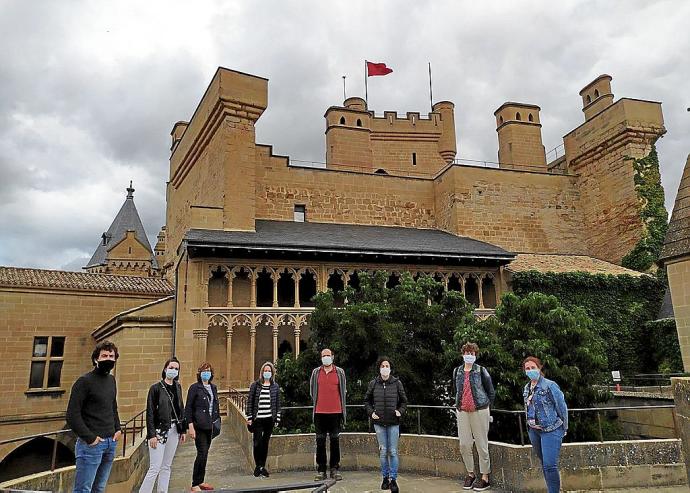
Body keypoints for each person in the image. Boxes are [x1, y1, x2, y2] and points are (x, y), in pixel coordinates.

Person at [66, 340, 122, 493]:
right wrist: (90, 438)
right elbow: (72, 415)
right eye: (104, 356)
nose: (109, 359)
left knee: (99, 488)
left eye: (111, 356)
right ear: (96, 359)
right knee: (83, 489)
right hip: (91, 446)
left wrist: (118, 428)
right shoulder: (84, 382)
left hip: (111, 443)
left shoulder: (111, 380)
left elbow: (113, 406)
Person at [139, 357, 187, 493]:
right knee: (155, 467)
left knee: (166, 466)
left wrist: (182, 430)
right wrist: (151, 435)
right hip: (160, 430)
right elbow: (150, 413)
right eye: (171, 368)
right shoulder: (155, 388)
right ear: (165, 369)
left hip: (174, 430)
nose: (173, 370)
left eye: (176, 369)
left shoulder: (178, 387)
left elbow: (180, 408)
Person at [453, 342, 495, 491]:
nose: (469, 356)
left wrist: (487, 408)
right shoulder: (457, 371)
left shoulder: (481, 370)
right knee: (464, 444)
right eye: (467, 353)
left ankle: (485, 477)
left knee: (481, 444)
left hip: (480, 410)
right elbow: (456, 390)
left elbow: (490, 391)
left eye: (472, 353)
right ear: (462, 354)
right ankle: (470, 474)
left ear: (475, 355)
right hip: (462, 411)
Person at [523, 356, 568, 493]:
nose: (530, 370)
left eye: (533, 367)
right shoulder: (527, 387)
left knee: (550, 464)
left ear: (539, 368)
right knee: (544, 464)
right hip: (534, 430)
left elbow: (561, 406)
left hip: (551, 429)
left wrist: (564, 427)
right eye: (527, 369)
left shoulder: (550, 385)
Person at [364, 356, 407, 493]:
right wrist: (371, 413)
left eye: (387, 366)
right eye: (382, 366)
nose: (385, 368)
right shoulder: (373, 383)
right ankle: (385, 478)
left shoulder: (397, 383)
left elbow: (404, 401)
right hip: (379, 423)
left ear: (390, 368)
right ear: (379, 368)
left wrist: (400, 411)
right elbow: (367, 401)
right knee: (383, 452)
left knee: (393, 452)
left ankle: (393, 480)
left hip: (393, 423)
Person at [309, 348, 347, 481]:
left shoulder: (340, 372)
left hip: (336, 412)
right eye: (323, 355)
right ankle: (321, 470)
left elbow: (343, 391)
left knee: (335, 441)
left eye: (328, 355)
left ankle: (334, 469)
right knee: (320, 441)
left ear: (332, 357)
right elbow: (312, 391)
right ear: (321, 358)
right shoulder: (316, 372)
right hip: (319, 412)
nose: (326, 357)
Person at [185, 362, 220, 492]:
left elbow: (215, 406)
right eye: (204, 370)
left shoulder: (213, 387)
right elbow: (188, 408)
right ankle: (195, 484)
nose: (207, 373)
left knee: (205, 454)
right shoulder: (195, 388)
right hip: (199, 426)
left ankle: (201, 481)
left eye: (209, 370)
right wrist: (190, 427)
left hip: (210, 427)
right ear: (200, 373)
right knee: (202, 453)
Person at [246, 361, 282, 478]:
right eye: (265, 371)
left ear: (272, 373)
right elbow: (250, 402)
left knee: (265, 443)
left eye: (269, 371)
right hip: (258, 419)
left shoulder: (275, 386)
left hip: (269, 419)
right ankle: (258, 466)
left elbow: (277, 404)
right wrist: (250, 417)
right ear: (262, 372)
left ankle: (262, 466)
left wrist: (277, 418)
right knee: (257, 443)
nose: (267, 373)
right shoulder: (255, 385)